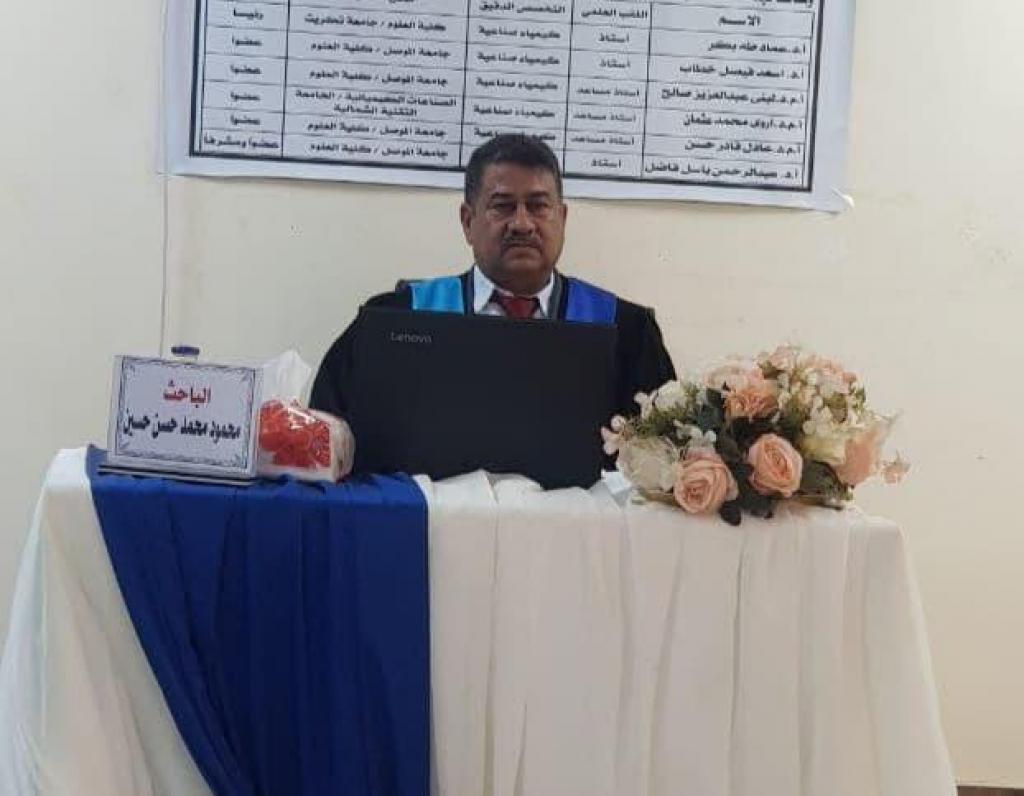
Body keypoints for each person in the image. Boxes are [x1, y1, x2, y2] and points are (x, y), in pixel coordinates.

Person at [310, 133, 676, 419]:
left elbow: (665, 459)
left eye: (538, 206)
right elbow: (330, 435)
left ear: (562, 219)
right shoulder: (393, 321)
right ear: (468, 221)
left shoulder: (627, 332)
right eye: (503, 206)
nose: (522, 223)